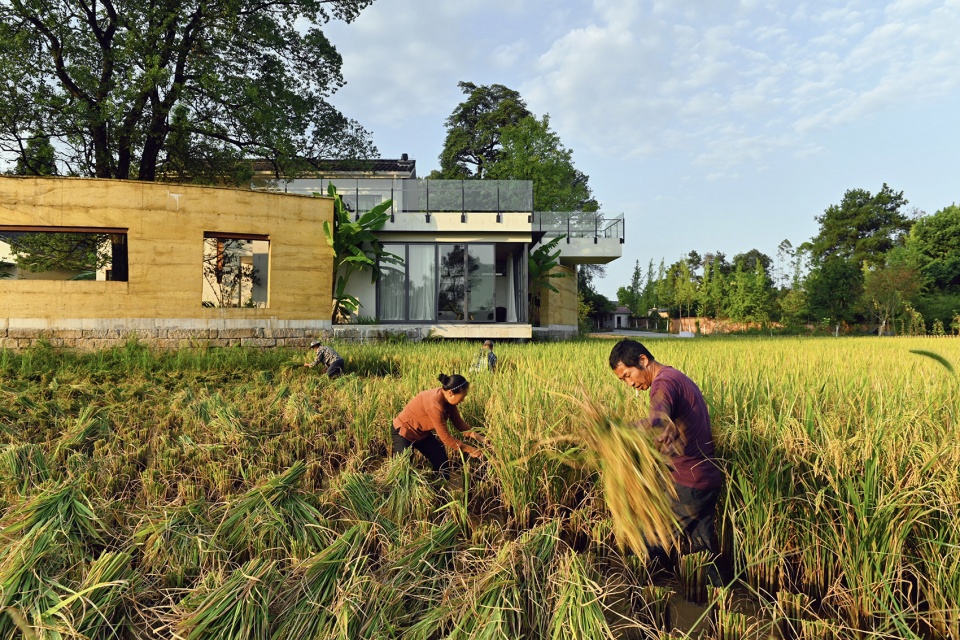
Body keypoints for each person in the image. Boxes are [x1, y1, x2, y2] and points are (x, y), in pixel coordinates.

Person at [608, 338, 729, 585]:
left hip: (688, 483)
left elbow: (658, 419)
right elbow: (666, 428)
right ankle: (722, 596)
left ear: (643, 360)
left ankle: (632, 594)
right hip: (705, 480)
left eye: (628, 375)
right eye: (623, 381)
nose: (630, 384)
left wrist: (620, 432)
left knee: (648, 543)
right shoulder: (676, 378)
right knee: (701, 551)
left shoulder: (663, 383)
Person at [392, 373, 486, 479]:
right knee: (402, 470)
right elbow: (446, 438)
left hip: (421, 434)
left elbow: (459, 424)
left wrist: (479, 437)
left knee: (441, 461)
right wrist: (470, 450)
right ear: (451, 393)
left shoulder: (449, 402)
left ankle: (440, 485)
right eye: (462, 397)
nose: (463, 400)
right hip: (404, 432)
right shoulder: (434, 405)